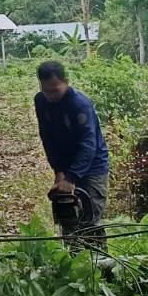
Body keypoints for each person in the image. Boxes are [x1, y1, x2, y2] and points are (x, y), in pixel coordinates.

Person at [33, 60, 109, 250]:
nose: (50, 96)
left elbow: (89, 145)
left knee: (90, 220)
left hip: (92, 167)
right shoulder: (41, 101)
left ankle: (100, 261)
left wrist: (72, 177)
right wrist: (59, 172)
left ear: (66, 82)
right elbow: (47, 138)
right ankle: (73, 261)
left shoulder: (79, 104)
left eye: (55, 90)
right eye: (46, 91)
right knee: (67, 217)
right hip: (65, 168)